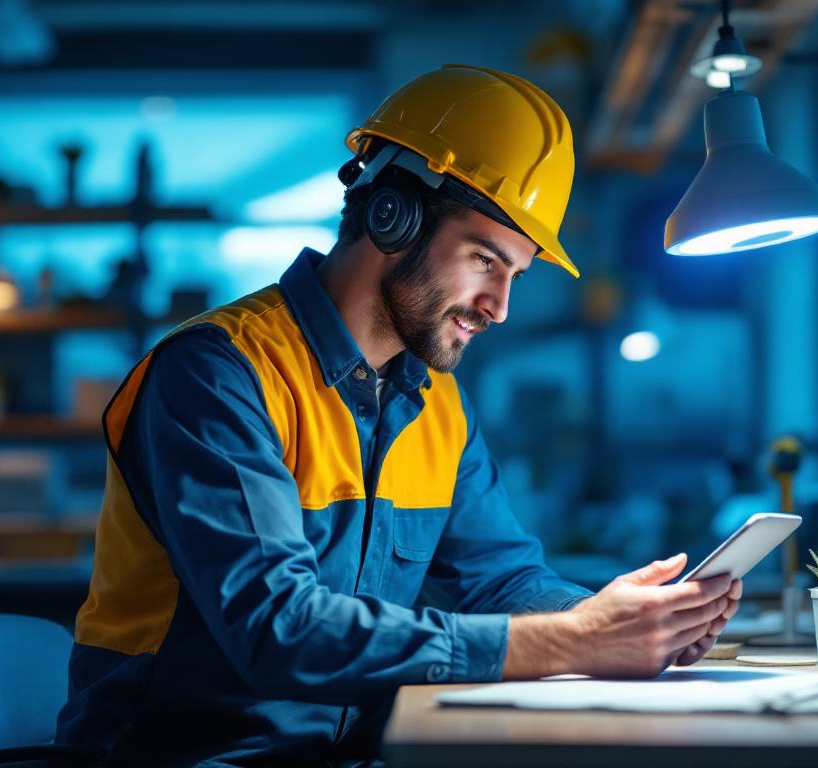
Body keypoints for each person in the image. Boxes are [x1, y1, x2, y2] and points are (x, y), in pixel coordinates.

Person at [55, 64, 741, 767]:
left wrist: (625, 616)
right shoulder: (217, 374)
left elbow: (499, 580)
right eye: (484, 260)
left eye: (515, 276)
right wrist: (576, 640)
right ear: (394, 216)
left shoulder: (436, 402)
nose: (498, 307)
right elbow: (278, 628)